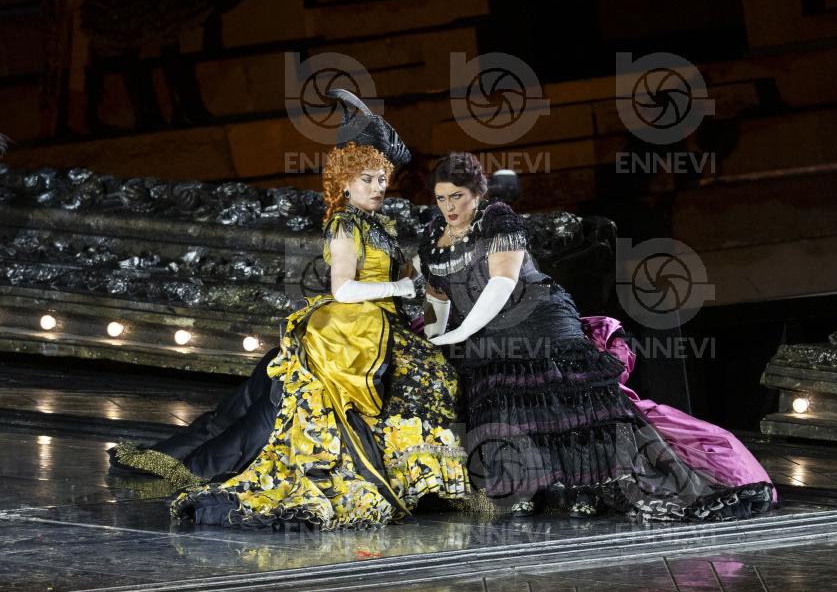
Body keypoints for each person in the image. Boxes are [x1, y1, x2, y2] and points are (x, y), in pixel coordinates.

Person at [117, 92, 469, 529]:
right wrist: (399, 285)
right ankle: (190, 468)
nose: (379, 187)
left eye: (382, 179)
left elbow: (399, 275)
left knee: (263, 408)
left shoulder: (378, 225)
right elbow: (343, 289)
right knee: (278, 412)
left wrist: (424, 267)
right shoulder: (344, 225)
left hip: (376, 329)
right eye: (367, 179)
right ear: (344, 182)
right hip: (346, 331)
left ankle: (187, 462)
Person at [418, 152, 773, 521]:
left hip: (538, 318)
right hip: (488, 330)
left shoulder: (496, 218)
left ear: (477, 193)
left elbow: (503, 282)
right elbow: (436, 296)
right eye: (441, 198)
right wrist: (432, 336)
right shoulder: (433, 237)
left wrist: (461, 332)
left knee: (570, 405)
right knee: (501, 401)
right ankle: (526, 487)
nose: (449, 206)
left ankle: (584, 486)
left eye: (457, 196)